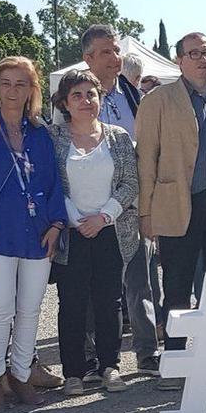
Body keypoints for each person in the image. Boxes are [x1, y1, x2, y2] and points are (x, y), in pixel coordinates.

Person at [136, 32, 206, 389]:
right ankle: (177, 362)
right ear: (179, 60)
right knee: (177, 286)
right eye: (192, 53)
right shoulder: (157, 101)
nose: (200, 60)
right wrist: (145, 213)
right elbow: (145, 159)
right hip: (179, 205)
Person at [0, 56, 66, 411]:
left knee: (30, 309)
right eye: (6, 83)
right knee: (0, 308)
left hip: (38, 233)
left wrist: (56, 225)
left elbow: (54, 183)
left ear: (32, 90)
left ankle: (21, 374)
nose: (13, 90)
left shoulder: (40, 134)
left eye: (20, 84)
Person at [49, 68, 139, 395]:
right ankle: (73, 372)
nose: (86, 101)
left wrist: (104, 217)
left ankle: (109, 367)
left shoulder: (117, 137)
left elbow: (131, 182)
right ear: (64, 102)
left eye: (92, 94)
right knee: (71, 303)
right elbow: (50, 184)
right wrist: (76, 218)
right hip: (72, 233)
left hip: (110, 230)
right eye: (77, 95)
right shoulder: (53, 138)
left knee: (109, 301)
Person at [81, 24, 156, 379]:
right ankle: (97, 356)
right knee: (97, 284)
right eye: (107, 52)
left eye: (116, 50)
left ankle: (147, 351)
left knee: (141, 279)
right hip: (92, 207)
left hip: (131, 201)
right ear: (88, 58)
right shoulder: (75, 96)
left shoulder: (131, 93)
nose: (116, 58)